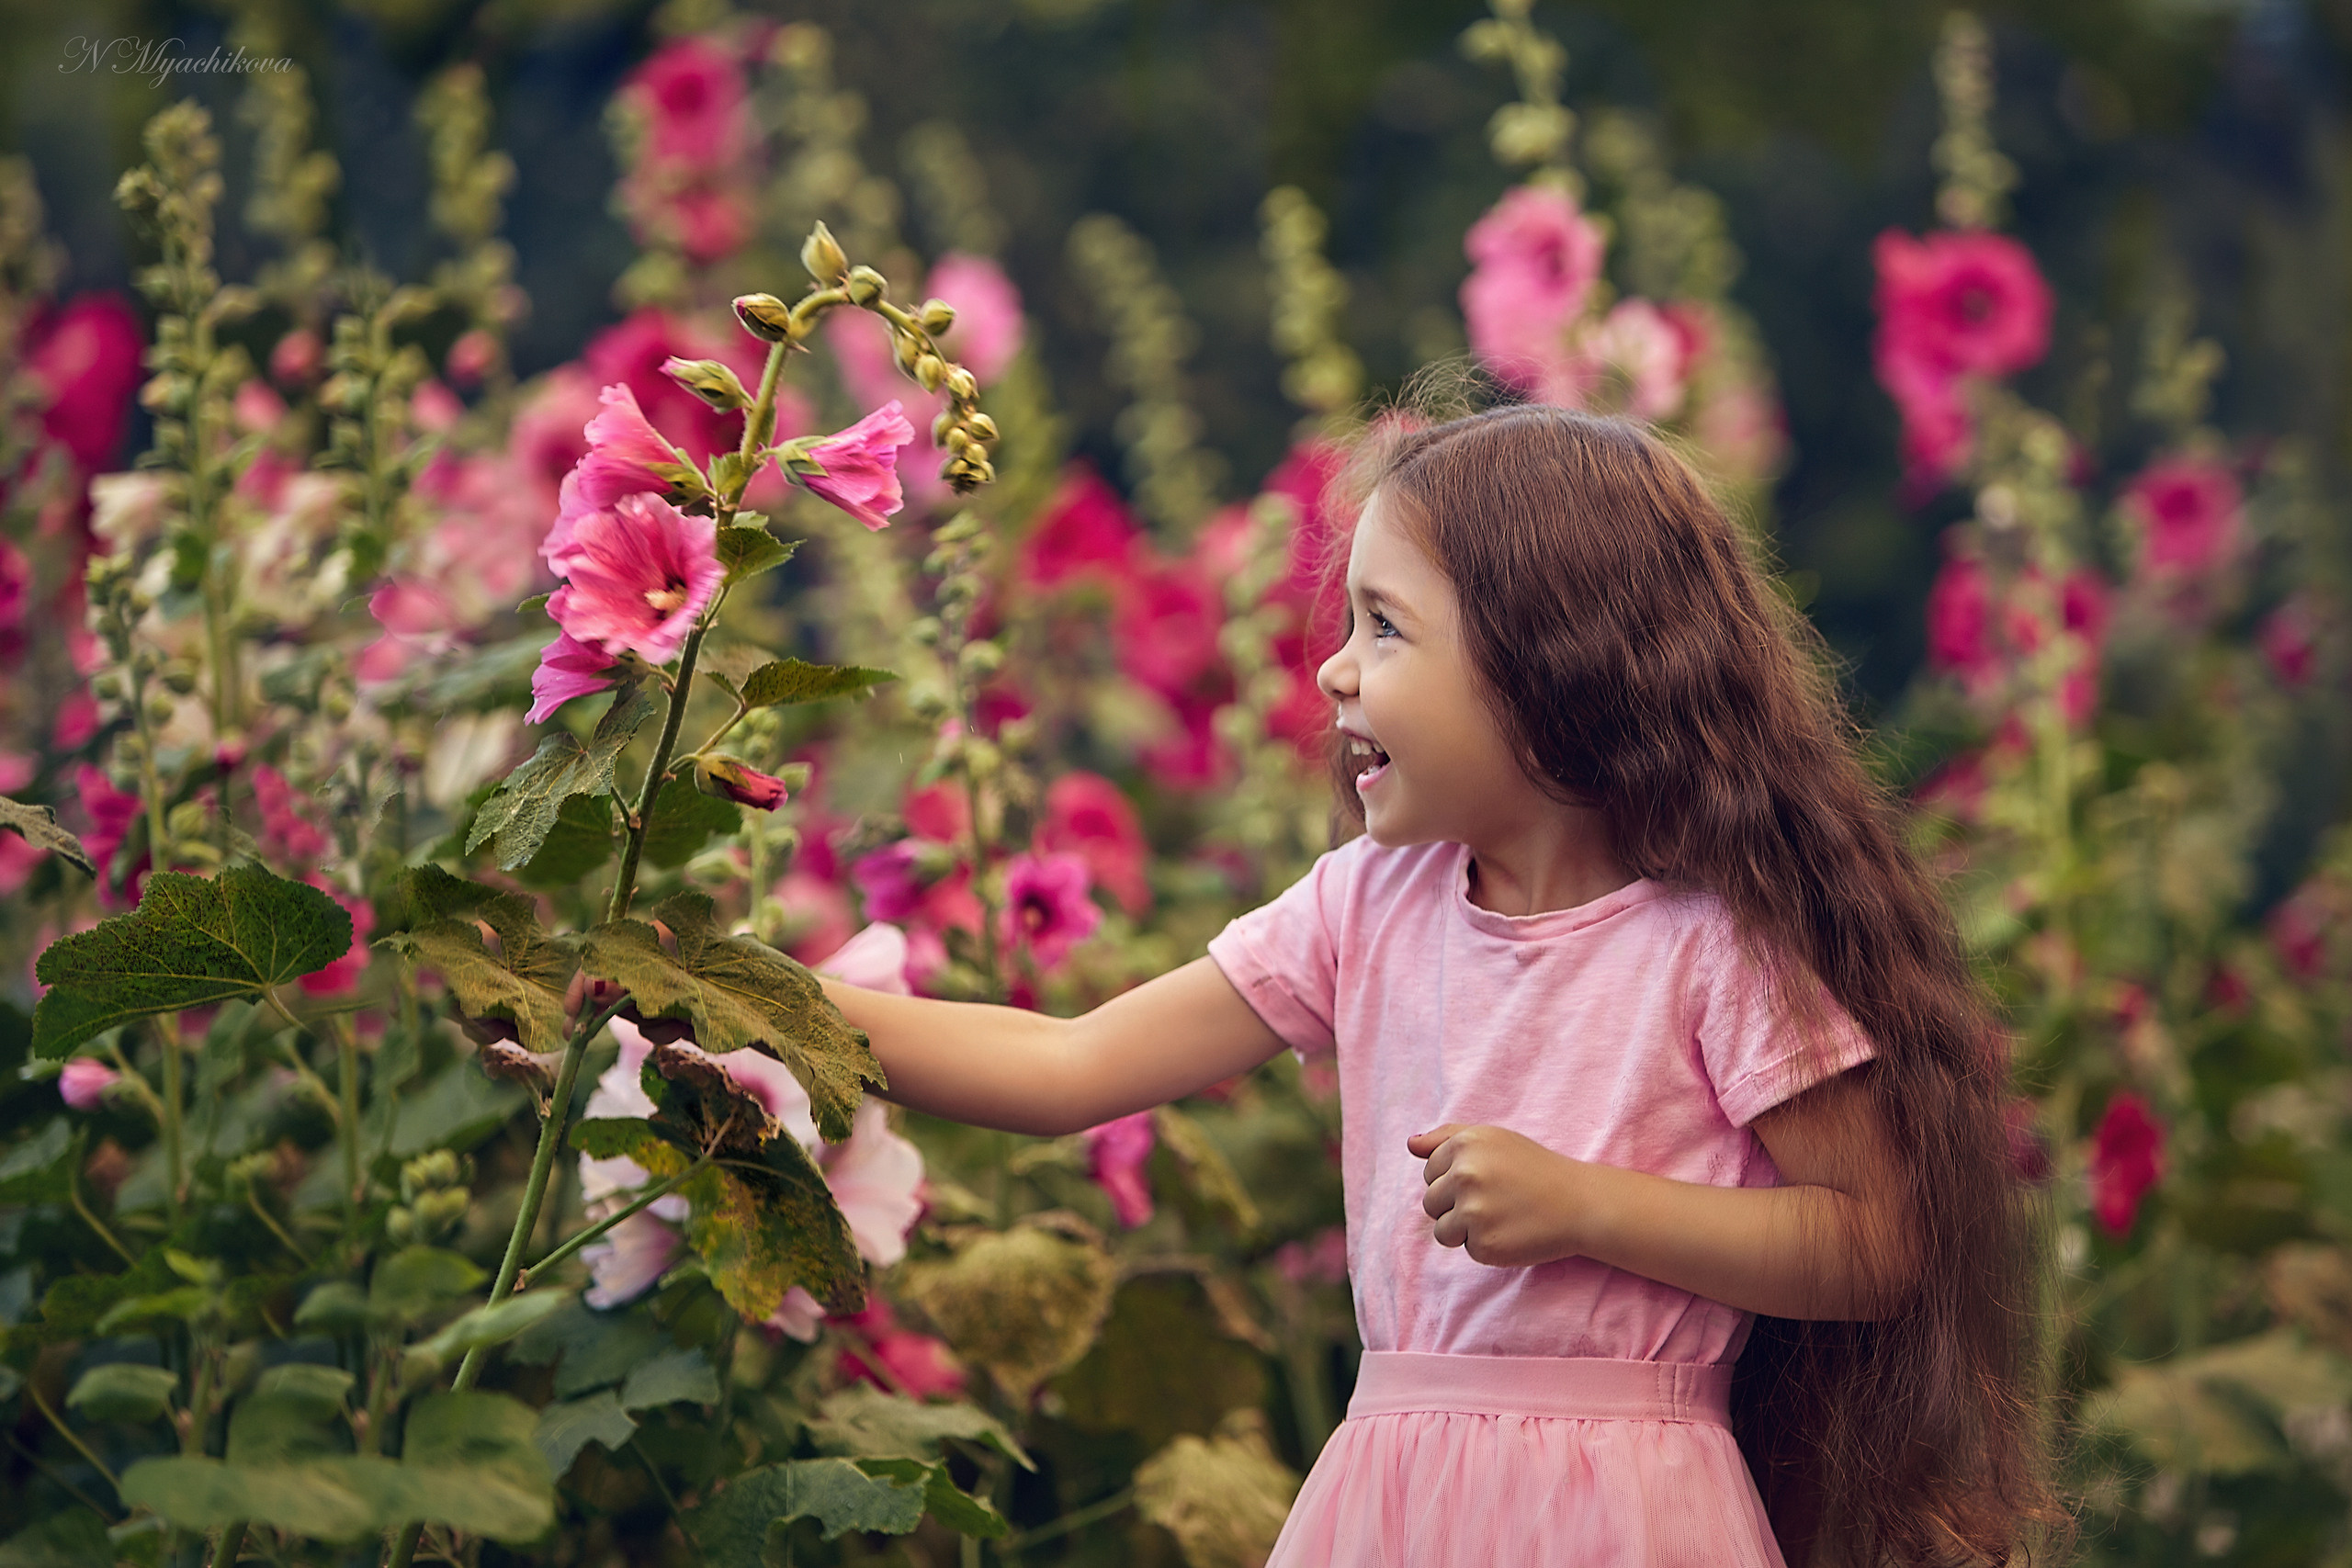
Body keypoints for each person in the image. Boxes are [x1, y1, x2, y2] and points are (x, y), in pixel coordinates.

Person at [814, 405, 2062, 1567]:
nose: (1333, 673)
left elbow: (1874, 1241)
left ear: (1553, 663)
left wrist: (1585, 1208)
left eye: (1387, 626)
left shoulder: (1711, 949)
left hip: (1628, 1520)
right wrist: (745, 999)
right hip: (1392, 1502)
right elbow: (1065, 1068)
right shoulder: (1366, 906)